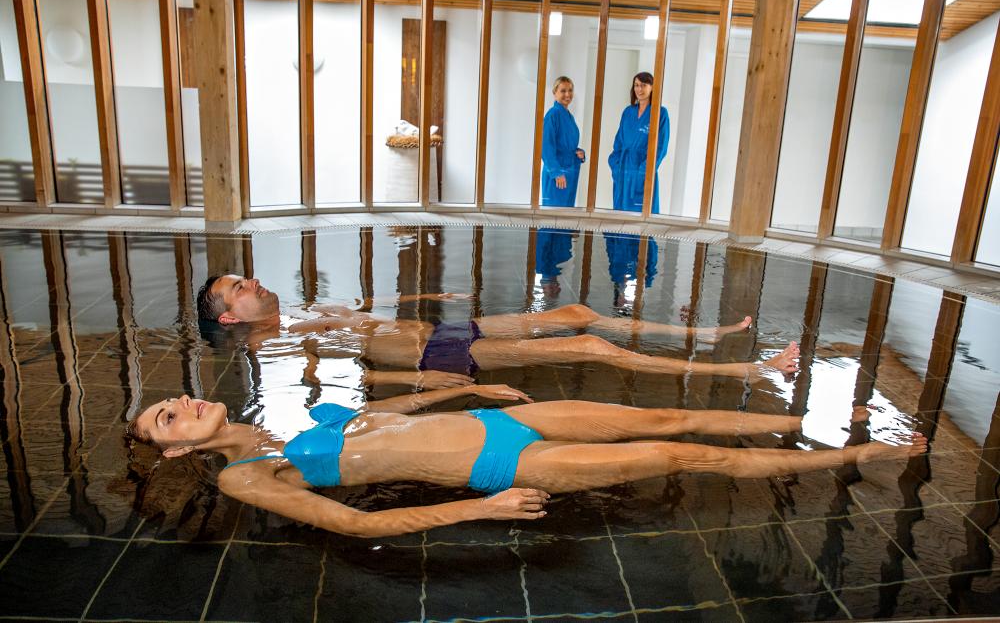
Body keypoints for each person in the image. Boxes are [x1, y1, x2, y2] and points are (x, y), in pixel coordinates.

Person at [127, 388, 927, 538]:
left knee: (665, 414)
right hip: (500, 468)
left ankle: (811, 420)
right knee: (680, 453)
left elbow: (390, 417)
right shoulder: (242, 476)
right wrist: (481, 508)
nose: (184, 403)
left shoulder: (276, 419)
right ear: (175, 449)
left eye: (174, 398)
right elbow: (350, 523)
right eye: (169, 417)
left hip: (496, 420)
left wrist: (465, 387)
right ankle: (859, 452)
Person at [197, 274, 789, 381]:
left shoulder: (301, 311)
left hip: (437, 330)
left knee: (578, 316)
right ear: (228, 317)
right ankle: (749, 370)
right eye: (239, 288)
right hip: (436, 357)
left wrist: (430, 297)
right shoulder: (273, 342)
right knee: (589, 346)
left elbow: (368, 304)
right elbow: (346, 372)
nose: (253, 282)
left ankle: (702, 337)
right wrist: (425, 384)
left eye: (246, 278)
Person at [608, 71, 669, 213]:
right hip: (623, 170)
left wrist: (644, 171)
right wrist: (615, 165)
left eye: (644, 85)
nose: (639, 89)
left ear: (652, 87)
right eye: (636, 85)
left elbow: (661, 147)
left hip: (643, 169)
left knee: (641, 213)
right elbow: (618, 143)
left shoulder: (660, 113)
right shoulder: (628, 112)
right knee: (620, 213)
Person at [541, 76, 586, 207]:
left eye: (570, 90)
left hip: (570, 172)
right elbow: (546, 147)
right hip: (557, 174)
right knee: (553, 213)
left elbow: (567, 144)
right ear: (554, 93)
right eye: (563, 91)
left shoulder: (569, 116)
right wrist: (556, 172)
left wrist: (579, 152)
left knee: (566, 212)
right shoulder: (552, 114)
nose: (567, 94)